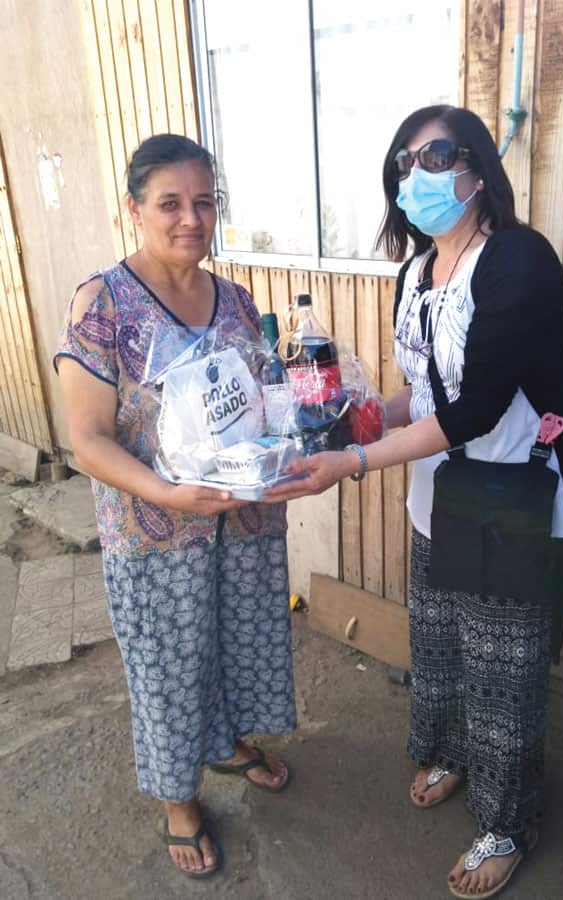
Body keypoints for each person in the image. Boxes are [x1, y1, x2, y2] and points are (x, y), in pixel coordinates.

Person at [265, 105, 563, 899]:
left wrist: (355, 458)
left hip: (511, 500)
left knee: (503, 672)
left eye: (435, 155)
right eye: (404, 164)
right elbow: (428, 394)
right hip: (438, 498)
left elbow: (477, 408)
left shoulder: (519, 260)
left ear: (476, 165)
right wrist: (357, 417)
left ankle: (508, 819)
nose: (418, 175)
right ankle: (450, 751)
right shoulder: (416, 272)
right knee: (440, 643)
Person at [54, 134, 296, 879]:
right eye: (170, 203)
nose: (190, 218)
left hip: (242, 523)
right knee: (168, 667)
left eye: (203, 202)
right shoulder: (105, 304)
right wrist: (169, 494)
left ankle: (224, 744)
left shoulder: (235, 299)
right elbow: (88, 441)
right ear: (134, 209)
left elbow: (259, 396)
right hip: (156, 532)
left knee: (237, 641)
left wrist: (289, 445)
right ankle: (178, 802)